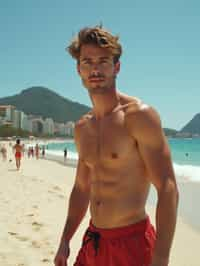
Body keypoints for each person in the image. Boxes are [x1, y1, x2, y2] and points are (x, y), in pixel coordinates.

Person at [54, 26, 179, 266]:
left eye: (103, 61)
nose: (95, 69)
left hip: (132, 243)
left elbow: (167, 186)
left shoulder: (139, 116)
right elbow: (82, 188)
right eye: (87, 62)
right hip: (94, 240)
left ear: (117, 67)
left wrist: (161, 257)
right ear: (78, 69)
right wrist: (65, 239)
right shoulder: (83, 127)